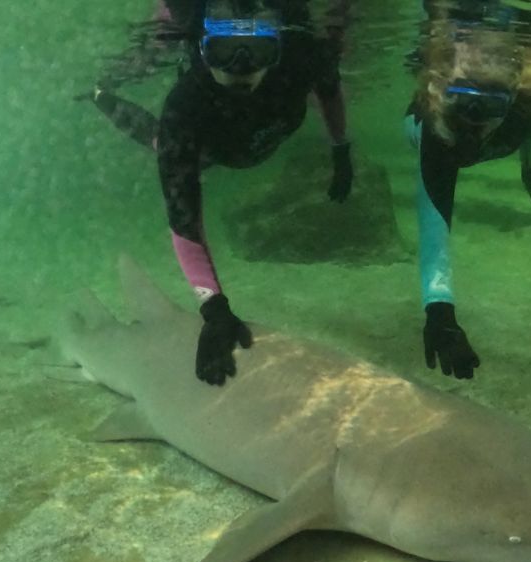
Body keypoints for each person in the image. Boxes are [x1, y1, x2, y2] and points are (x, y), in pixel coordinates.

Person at [81, 0, 353, 385]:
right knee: (164, 143)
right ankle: (100, 95)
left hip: (251, 136)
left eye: (257, 51)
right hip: (212, 145)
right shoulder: (187, 109)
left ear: (277, 45)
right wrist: (213, 305)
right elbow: (184, 222)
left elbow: (330, 91)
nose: (241, 67)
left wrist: (341, 149)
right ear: (202, 48)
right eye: (224, 52)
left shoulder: (303, 57)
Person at [405, 0, 531, 379]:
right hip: (422, 128)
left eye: (489, 105)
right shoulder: (437, 135)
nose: (474, 120)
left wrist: (528, 167)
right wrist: (440, 313)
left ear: (512, 98)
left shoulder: (522, 113)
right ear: (439, 92)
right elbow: (434, 226)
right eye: (462, 102)